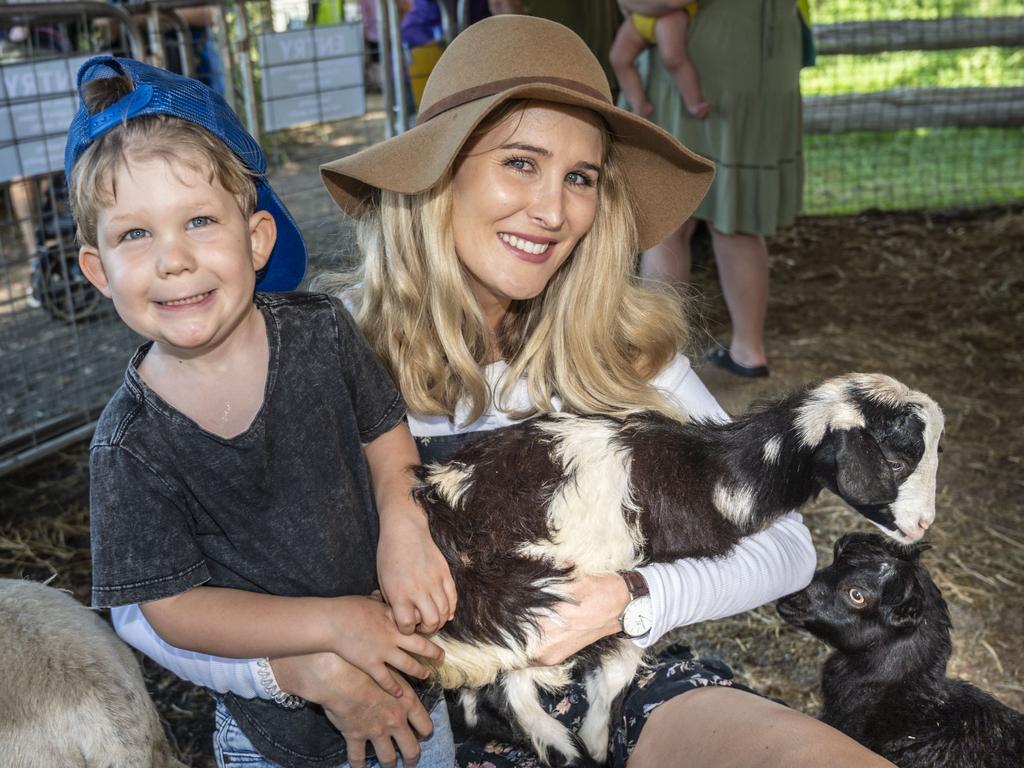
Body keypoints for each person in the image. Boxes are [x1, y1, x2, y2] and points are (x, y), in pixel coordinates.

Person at [113, 16, 896, 768]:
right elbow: (143, 599)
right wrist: (291, 672)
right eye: (519, 162)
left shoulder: (620, 350)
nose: (553, 211)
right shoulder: (315, 347)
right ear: (439, 174)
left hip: (596, 674)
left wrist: (629, 597)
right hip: (386, 702)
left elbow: (787, 544)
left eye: (579, 176)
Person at [65, 56, 458, 768]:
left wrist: (404, 521)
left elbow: (385, 436)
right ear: (97, 271)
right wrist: (335, 624)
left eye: (199, 221)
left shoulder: (322, 333)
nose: (173, 259)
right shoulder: (129, 446)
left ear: (257, 239)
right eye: (135, 235)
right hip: (267, 739)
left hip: (413, 691)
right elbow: (174, 607)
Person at [625, 0, 803, 378]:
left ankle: (659, 356)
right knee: (734, 211)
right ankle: (747, 350)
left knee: (670, 210)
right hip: (771, 54)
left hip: (699, 55)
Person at [610, 4, 710, 119]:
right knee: (618, 58)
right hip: (641, 16)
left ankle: (694, 102)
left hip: (670, 15)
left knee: (672, 58)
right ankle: (639, 104)